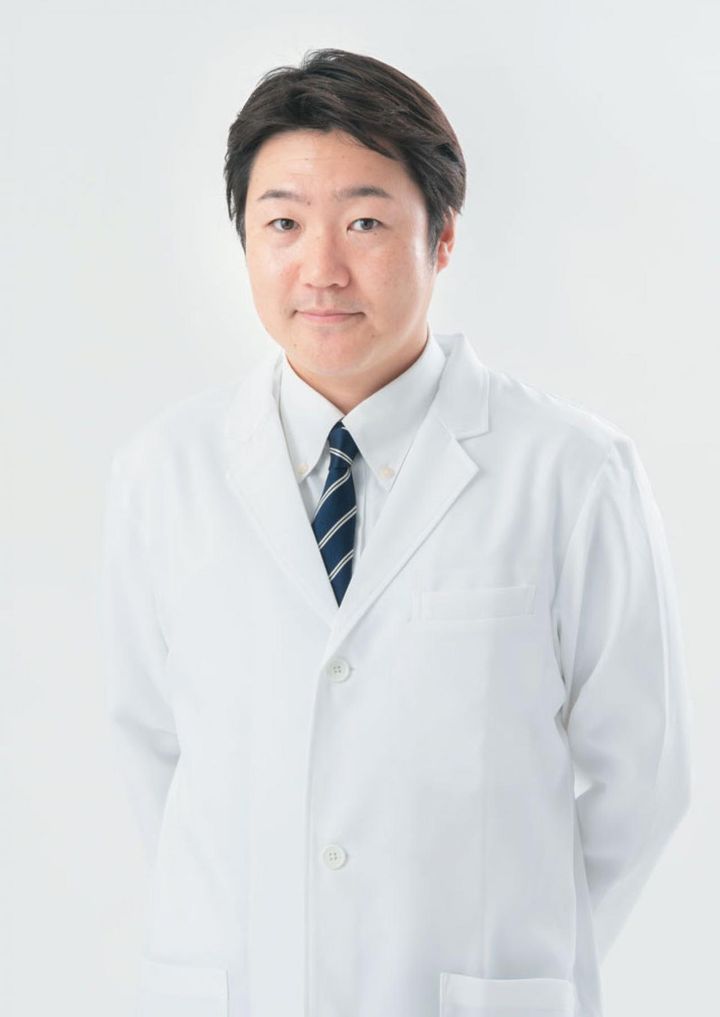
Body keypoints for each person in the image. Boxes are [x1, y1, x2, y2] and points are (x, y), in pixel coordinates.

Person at [99, 47, 693, 1017]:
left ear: (442, 236)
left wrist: (523, 950)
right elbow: (151, 755)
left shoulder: (571, 474)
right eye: (283, 223)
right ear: (244, 239)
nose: (321, 269)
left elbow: (644, 777)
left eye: (365, 222)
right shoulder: (162, 475)